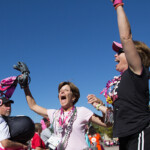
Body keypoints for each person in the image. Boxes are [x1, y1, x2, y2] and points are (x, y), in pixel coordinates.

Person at [88, 0, 150, 150]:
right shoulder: (119, 81)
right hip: (124, 135)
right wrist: (98, 105)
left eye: (119, 52)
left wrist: (118, 4)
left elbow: (126, 37)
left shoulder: (136, 72)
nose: (115, 56)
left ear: (134, 55)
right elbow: (115, 114)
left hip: (140, 132)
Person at [21, 80, 111, 150]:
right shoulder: (54, 114)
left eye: (66, 90)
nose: (62, 92)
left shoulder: (82, 111)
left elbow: (107, 124)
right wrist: (25, 86)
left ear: (73, 97)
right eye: (60, 91)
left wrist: (100, 105)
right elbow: (33, 106)